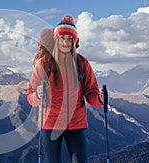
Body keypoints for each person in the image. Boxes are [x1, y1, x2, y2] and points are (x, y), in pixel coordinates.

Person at [27, 15, 103, 163]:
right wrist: (37, 95)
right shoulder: (44, 64)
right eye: (63, 39)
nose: (66, 43)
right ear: (56, 40)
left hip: (76, 123)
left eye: (70, 39)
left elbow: (91, 92)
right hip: (50, 124)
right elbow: (30, 95)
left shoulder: (82, 63)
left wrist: (100, 99)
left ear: (75, 42)